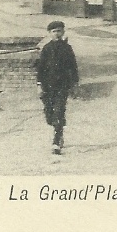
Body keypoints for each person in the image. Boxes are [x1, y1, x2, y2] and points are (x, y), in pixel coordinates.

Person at [35, 20, 79, 155]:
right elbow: (40, 68)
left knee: (59, 112)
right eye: (54, 32)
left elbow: (73, 67)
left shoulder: (67, 48)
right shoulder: (46, 49)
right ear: (49, 34)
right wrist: (39, 85)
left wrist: (75, 84)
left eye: (59, 31)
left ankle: (56, 140)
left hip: (62, 86)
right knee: (49, 115)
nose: (57, 34)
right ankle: (58, 131)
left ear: (63, 32)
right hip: (48, 86)